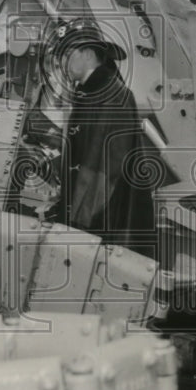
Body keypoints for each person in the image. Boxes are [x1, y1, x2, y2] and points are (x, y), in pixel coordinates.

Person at [47, 17, 153, 248]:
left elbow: (105, 171)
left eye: (66, 54)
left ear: (87, 53)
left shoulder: (112, 96)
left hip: (101, 225)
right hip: (90, 217)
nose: (62, 63)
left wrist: (77, 228)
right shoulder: (90, 94)